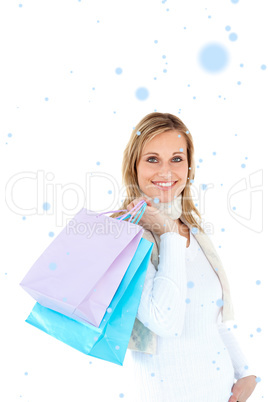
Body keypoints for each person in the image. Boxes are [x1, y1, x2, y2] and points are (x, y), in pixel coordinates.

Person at [110, 112, 258, 402]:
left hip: (219, 390)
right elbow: (164, 321)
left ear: (189, 166)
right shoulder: (124, 235)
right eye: (152, 159)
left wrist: (245, 373)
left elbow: (210, 319)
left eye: (176, 159)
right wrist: (167, 233)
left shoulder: (193, 229)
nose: (166, 172)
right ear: (134, 166)